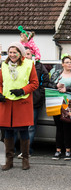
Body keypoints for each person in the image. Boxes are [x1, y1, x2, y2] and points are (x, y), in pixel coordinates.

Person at [0, 42, 39, 170]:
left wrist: (22, 90)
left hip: (22, 102)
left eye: (14, 52)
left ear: (20, 53)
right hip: (7, 103)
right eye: (10, 52)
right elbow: (0, 83)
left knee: (23, 131)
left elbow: (34, 83)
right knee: (8, 132)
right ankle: (9, 160)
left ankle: (25, 159)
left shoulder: (29, 64)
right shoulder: (4, 65)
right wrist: (0, 93)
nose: (12, 55)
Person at [20, 46, 50, 156]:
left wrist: (40, 95)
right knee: (19, 126)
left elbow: (46, 81)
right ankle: (14, 149)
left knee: (31, 127)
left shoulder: (38, 66)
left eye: (28, 54)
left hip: (34, 100)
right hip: (20, 100)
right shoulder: (19, 66)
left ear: (32, 55)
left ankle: (26, 150)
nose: (26, 56)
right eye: (25, 54)